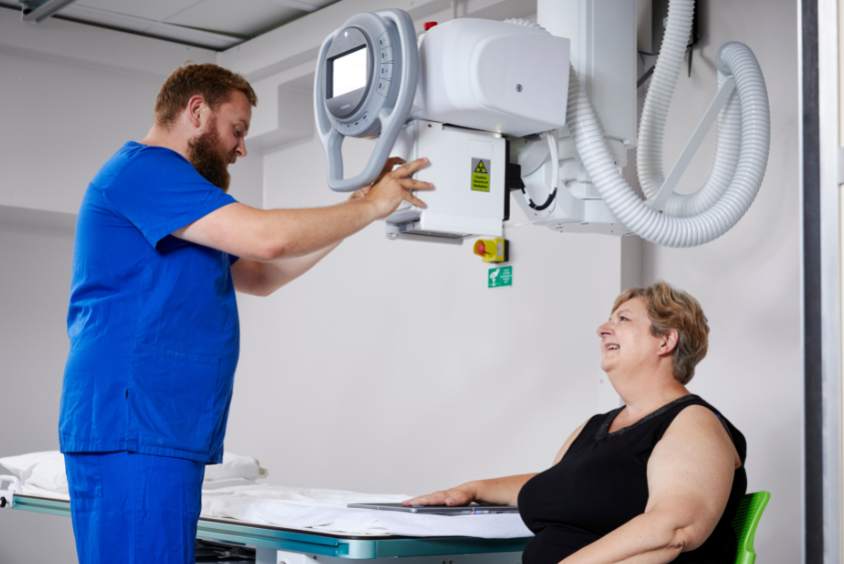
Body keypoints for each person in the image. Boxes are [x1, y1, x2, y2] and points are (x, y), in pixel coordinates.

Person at [58, 63, 432, 564]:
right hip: (134, 424)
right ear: (196, 111)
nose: (241, 147)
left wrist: (362, 208)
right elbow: (268, 238)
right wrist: (369, 208)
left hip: (158, 426)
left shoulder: (182, 205)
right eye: (237, 129)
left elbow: (261, 274)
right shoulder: (145, 170)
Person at [406, 281, 746, 563]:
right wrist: (473, 489)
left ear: (665, 340)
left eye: (623, 319)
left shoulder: (692, 424)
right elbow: (562, 485)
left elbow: (673, 529)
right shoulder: (595, 426)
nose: (602, 329)